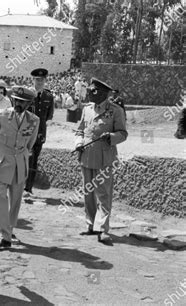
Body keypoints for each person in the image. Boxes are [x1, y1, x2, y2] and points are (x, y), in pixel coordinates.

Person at [74, 78, 128, 244]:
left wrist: (111, 137)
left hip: (105, 159)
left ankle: (103, 229)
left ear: (103, 94)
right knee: (88, 193)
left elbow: (123, 134)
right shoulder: (87, 109)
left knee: (104, 195)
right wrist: (79, 143)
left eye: (93, 90)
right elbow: (80, 131)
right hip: (87, 156)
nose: (89, 92)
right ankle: (91, 224)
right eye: (90, 89)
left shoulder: (116, 111)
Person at [0, 86, 39, 249]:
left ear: (29, 104)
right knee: (1, 196)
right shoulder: (0, 116)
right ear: (13, 99)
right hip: (1, 161)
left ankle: (9, 231)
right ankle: (5, 236)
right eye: (17, 100)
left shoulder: (34, 120)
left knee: (15, 201)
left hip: (19, 163)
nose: (19, 104)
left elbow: (30, 144)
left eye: (23, 102)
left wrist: (21, 154)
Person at [24, 68, 54, 194]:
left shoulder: (48, 96)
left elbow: (48, 116)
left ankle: (28, 188)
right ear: (33, 80)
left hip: (40, 133)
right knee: (24, 158)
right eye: (37, 79)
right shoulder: (27, 94)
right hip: (27, 132)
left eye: (42, 80)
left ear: (45, 80)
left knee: (34, 159)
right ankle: (21, 185)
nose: (40, 82)